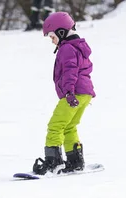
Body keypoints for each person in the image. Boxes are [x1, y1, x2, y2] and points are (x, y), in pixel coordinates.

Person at [32, 12, 96, 175]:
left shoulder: (67, 48)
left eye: (52, 37)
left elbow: (70, 71)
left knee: (55, 126)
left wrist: (68, 92)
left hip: (73, 93)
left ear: (61, 33)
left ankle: (52, 162)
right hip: (84, 93)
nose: (52, 41)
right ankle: (75, 160)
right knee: (69, 126)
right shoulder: (78, 46)